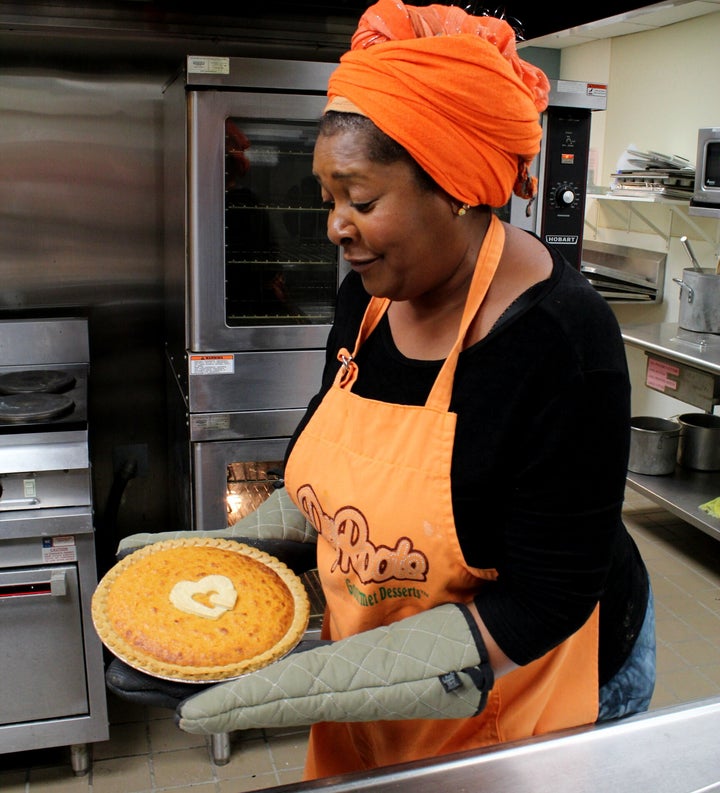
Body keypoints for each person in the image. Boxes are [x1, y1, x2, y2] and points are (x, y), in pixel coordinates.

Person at [111, 0, 655, 780]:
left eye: (360, 200)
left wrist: (319, 678)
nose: (336, 225)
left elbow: (545, 600)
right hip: (388, 671)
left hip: (525, 689)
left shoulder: (563, 344)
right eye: (328, 198)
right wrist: (238, 553)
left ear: (458, 187)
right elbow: (328, 471)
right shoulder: (368, 300)